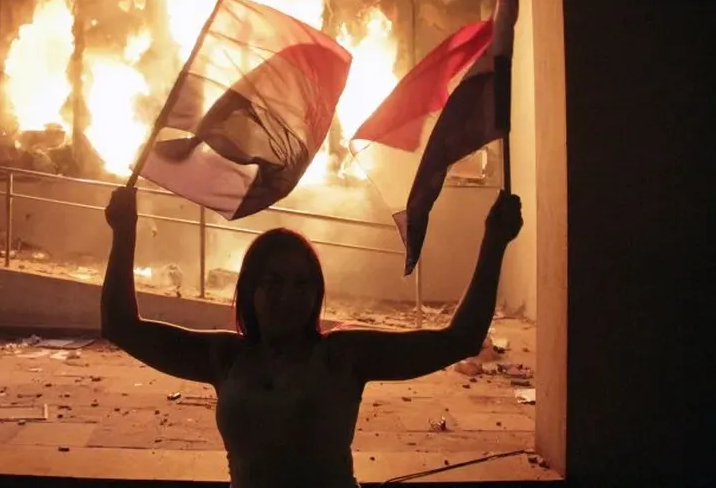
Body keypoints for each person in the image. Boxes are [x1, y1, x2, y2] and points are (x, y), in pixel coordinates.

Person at [101, 187, 523, 488]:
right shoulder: (224, 356)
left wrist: (494, 242)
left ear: (317, 293)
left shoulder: (344, 356)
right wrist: (124, 230)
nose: (288, 296)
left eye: (302, 284)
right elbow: (121, 327)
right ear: (250, 290)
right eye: (274, 282)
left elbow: (460, 340)